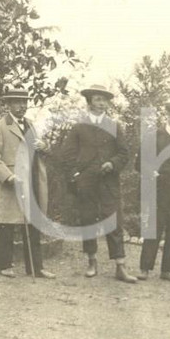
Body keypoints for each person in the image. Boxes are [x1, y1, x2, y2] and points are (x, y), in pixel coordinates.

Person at [60, 83, 138, 283]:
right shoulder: (79, 127)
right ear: (89, 102)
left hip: (109, 182)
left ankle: (120, 266)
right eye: (97, 99)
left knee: (114, 221)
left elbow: (124, 153)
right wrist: (76, 175)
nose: (101, 103)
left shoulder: (114, 126)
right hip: (86, 182)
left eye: (104, 100)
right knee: (88, 220)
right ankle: (91, 262)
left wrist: (112, 163)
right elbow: (67, 155)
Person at [0, 87, 56, 279]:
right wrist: (8, 177)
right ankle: (5, 265)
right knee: (7, 224)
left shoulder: (30, 124)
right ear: (8, 104)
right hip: (12, 181)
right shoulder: (0, 125)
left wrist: (44, 146)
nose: (21, 106)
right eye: (17, 102)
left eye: (24, 102)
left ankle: (35, 267)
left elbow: (39, 148)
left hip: (32, 179)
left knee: (33, 224)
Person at [135, 99, 170, 282]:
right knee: (154, 230)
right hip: (158, 192)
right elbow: (140, 163)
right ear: (168, 116)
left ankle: (168, 270)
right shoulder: (154, 136)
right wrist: (152, 172)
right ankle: (145, 268)